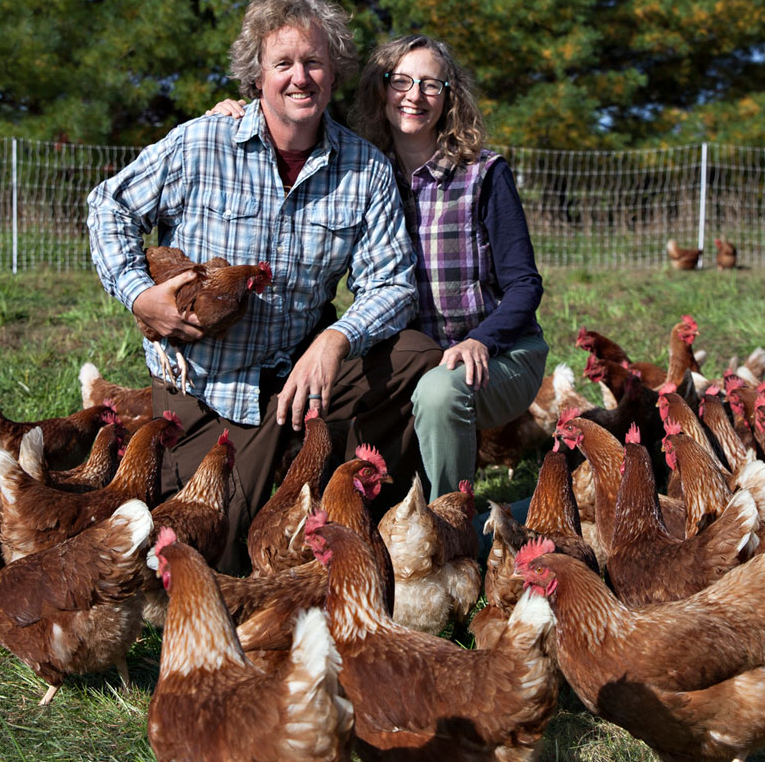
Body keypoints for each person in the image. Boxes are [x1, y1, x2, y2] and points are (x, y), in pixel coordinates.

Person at [85, 0, 441, 570]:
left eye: (315, 62)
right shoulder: (200, 143)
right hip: (213, 386)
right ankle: (289, 470)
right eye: (284, 63)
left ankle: (354, 498)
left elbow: (393, 284)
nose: (301, 78)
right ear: (257, 74)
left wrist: (336, 339)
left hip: (302, 370)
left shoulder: (364, 167)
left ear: (335, 71)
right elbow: (108, 206)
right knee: (219, 556)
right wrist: (137, 294)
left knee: (417, 355)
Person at [214, 34, 547, 498]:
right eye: (402, 81)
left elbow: (525, 286)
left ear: (450, 96)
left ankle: (451, 529)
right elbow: (294, 121)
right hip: (415, 355)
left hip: (500, 352)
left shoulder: (484, 174)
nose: (415, 96)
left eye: (432, 84)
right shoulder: (362, 173)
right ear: (381, 89)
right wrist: (236, 115)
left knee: (437, 392)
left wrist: (481, 340)